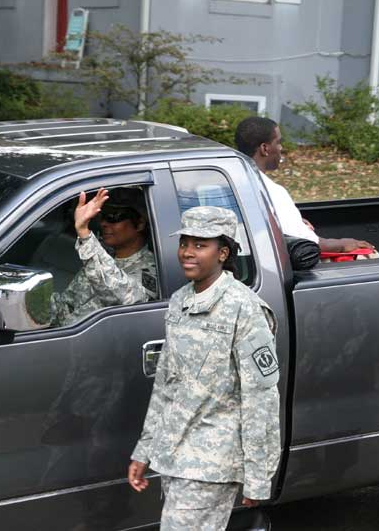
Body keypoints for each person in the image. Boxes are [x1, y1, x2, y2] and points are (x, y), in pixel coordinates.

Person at [128, 206, 281, 529]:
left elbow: (261, 399)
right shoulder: (180, 301)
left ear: (223, 252)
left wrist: (257, 475)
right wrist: (145, 450)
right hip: (176, 456)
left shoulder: (244, 309)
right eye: (185, 243)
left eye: (200, 245)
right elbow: (165, 385)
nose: (187, 252)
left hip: (213, 463)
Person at [234, 116, 376, 253]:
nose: (281, 147)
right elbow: (311, 244)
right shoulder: (273, 192)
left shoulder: (230, 178)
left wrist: (294, 220)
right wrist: (345, 243)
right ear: (265, 149)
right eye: (278, 142)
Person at [50, 187, 157, 326]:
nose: (103, 223)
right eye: (103, 216)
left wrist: (84, 232)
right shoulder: (102, 258)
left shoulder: (153, 269)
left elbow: (122, 297)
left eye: (113, 217)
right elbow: (66, 308)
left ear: (140, 223)